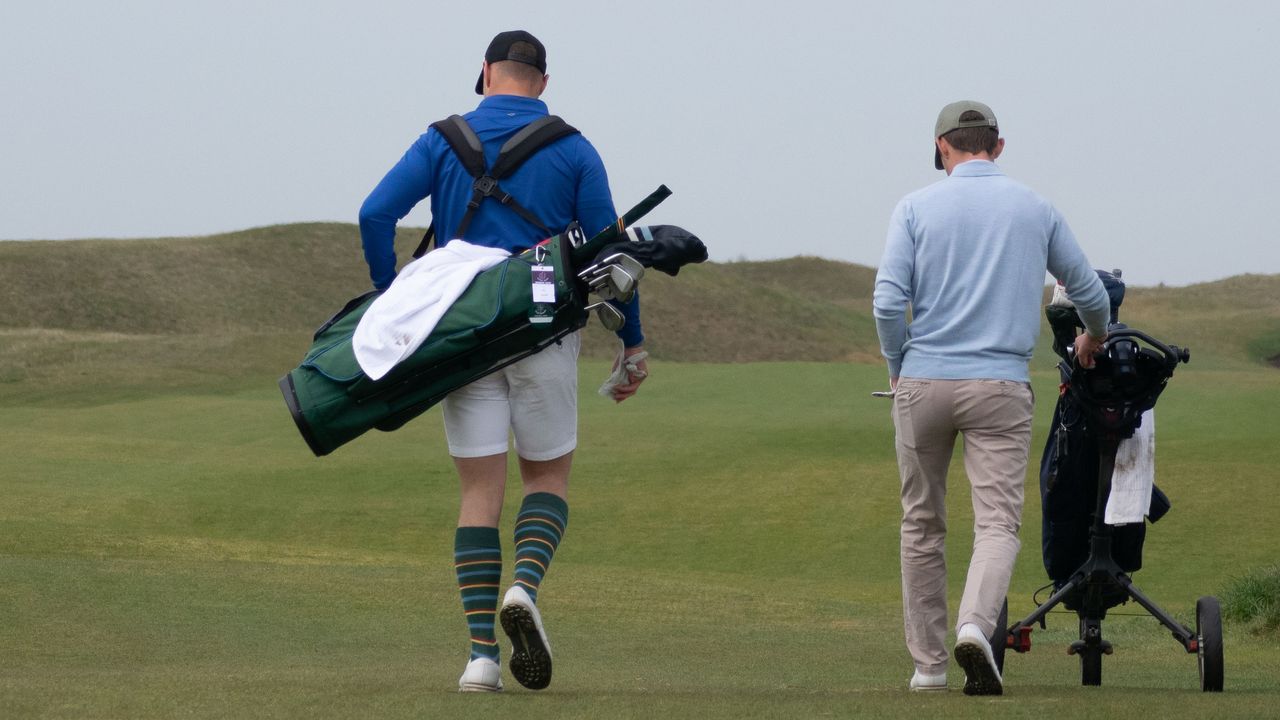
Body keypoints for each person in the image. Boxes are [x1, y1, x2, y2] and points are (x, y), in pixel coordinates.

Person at [357, 30, 649, 693]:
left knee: (478, 493)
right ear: (542, 83)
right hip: (544, 320)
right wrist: (631, 342)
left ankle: (480, 659)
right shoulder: (575, 148)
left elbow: (375, 213)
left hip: (464, 333)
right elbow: (610, 252)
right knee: (546, 477)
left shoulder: (442, 138)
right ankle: (525, 586)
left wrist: (392, 297)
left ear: (485, 74)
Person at [872, 100, 1111, 695]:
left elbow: (884, 304)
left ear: (942, 149)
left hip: (923, 381)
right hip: (1001, 384)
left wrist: (899, 365)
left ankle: (928, 666)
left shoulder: (914, 207)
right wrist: (1092, 338)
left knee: (921, 524)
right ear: (998, 146)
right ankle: (977, 627)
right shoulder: (1036, 208)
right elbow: (1089, 291)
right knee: (997, 523)